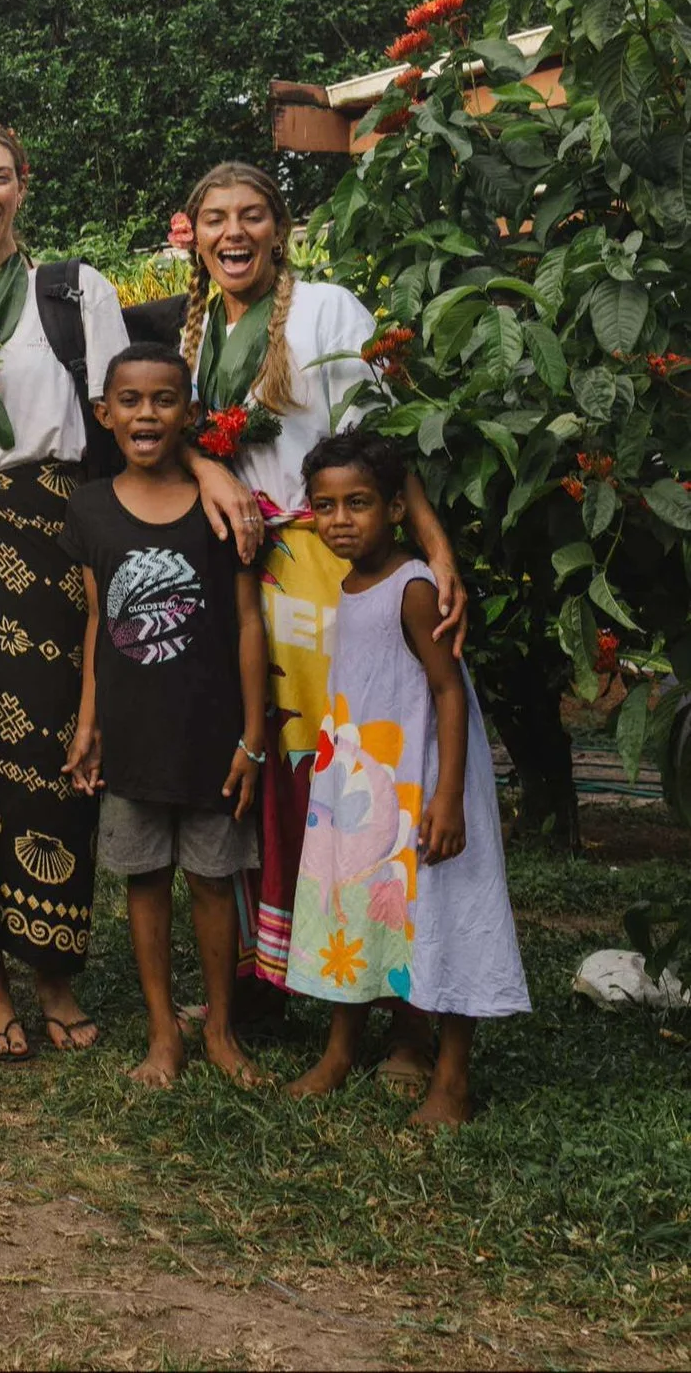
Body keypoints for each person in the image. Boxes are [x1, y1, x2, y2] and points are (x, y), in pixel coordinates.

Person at [0, 121, 260, 1064]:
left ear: (23, 187)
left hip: (52, 529)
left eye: (0, 179)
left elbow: (128, 416)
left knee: (57, 750)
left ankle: (52, 968)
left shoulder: (72, 289)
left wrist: (212, 473)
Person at [169, 163, 468, 1080]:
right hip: (247, 578)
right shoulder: (199, 329)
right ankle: (279, 973)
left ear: (280, 227)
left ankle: (408, 1017)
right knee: (272, 781)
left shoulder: (326, 310)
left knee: (369, 775)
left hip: (331, 568)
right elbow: (176, 432)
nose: (234, 234)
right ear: (195, 233)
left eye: (251, 215)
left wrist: (433, 547)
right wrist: (209, 469)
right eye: (216, 218)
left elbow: (379, 448)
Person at [281, 432, 527, 1127]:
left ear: (395, 507)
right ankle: (340, 1051)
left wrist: (447, 797)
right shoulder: (350, 582)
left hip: (423, 781)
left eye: (357, 503)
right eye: (324, 506)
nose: (339, 520)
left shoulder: (414, 586)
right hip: (364, 783)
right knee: (354, 911)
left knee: (445, 915)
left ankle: (450, 1080)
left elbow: (449, 693)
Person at [63, 344, 270, 1089]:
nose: (145, 413)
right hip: (133, 735)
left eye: (162, 400)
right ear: (104, 413)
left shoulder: (224, 506)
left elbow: (250, 623)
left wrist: (254, 734)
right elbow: (96, 620)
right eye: (130, 400)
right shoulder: (89, 506)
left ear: (188, 413)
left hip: (213, 735)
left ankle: (218, 1028)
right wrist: (89, 724)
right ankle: (162, 1032)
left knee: (214, 883)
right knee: (144, 880)